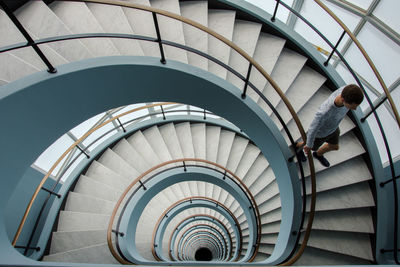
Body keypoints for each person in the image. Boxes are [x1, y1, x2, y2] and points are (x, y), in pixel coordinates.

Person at [296, 84, 364, 167]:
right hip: (320, 134)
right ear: (343, 100)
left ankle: (318, 154)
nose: (354, 109)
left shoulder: (346, 91)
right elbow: (313, 129)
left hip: (333, 129)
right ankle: (298, 148)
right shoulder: (325, 112)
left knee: (335, 146)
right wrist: (309, 144)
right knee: (309, 145)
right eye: (352, 106)